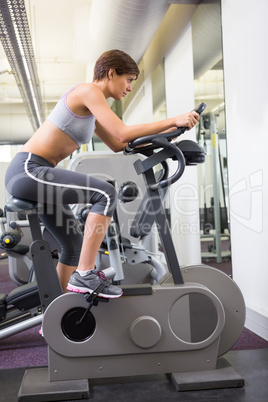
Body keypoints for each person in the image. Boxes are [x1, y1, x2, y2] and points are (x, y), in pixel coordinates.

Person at [5, 49, 199, 298]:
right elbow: (122, 132)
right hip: (27, 170)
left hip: (39, 173)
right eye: (128, 80)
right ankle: (85, 274)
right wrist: (173, 120)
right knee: (105, 194)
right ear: (111, 73)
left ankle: (58, 312)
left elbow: (119, 144)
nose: (129, 88)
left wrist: (168, 137)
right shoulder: (88, 91)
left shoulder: (93, 106)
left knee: (73, 246)